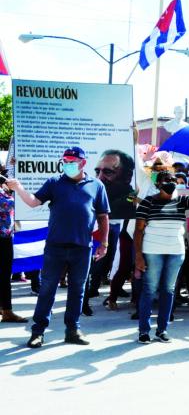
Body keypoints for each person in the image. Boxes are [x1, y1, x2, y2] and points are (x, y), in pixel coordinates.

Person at [7, 147, 110, 348]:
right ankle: (38, 332)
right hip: (55, 247)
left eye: (72, 161)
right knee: (47, 290)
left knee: (78, 291)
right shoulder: (54, 182)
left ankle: (72, 330)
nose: (68, 164)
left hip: (82, 248)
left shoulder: (96, 185)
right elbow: (33, 202)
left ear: (83, 163)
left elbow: (103, 217)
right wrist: (18, 187)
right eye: (65, 161)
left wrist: (104, 243)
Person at [134, 167, 189, 343]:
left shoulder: (182, 201)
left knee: (168, 290)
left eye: (172, 179)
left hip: (176, 252)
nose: (169, 182)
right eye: (165, 180)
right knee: (149, 290)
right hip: (152, 251)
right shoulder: (147, 202)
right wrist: (138, 256)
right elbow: (138, 231)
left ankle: (162, 330)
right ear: (158, 184)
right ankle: (144, 331)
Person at [86, 149, 137, 314]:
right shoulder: (92, 193)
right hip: (105, 230)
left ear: (128, 176)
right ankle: (92, 291)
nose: (100, 177)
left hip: (124, 229)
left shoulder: (133, 195)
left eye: (108, 172)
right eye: (97, 171)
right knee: (99, 261)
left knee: (117, 262)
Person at [1, 168, 27, 323]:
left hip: (5, 237)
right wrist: (16, 191)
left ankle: (5, 308)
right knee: (4, 276)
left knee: (4, 276)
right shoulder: (6, 194)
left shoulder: (3, 190)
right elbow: (9, 205)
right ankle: (7, 311)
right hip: (2, 238)